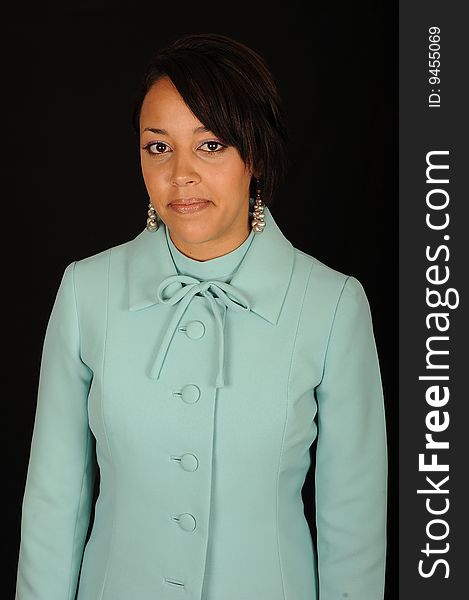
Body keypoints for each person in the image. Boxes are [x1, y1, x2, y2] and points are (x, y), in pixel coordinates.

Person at [16, 33, 387, 600]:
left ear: (255, 153)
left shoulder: (332, 305)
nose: (180, 173)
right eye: (158, 147)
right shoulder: (85, 292)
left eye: (211, 145)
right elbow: (53, 503)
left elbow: (353, 522)